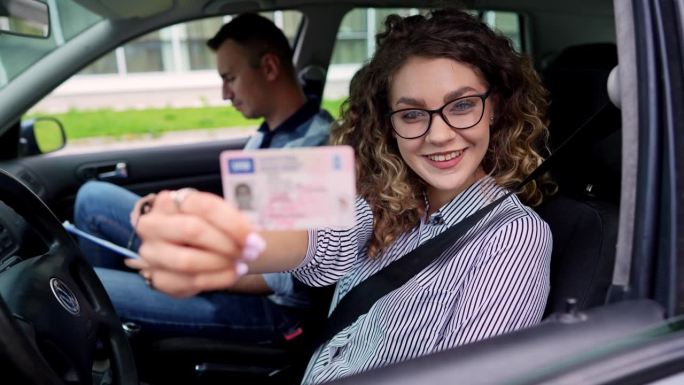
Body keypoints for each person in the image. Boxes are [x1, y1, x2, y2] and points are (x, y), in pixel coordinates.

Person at [129, 8, 554, 384]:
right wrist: (239, 243)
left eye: (461, 106)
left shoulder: (513, 237)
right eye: (411, 114)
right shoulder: (387, 198)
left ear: (495, 106)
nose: (438, 134)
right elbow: (324, 236)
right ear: (388, 124)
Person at [73, 13, 332, 341]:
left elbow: (291, 276)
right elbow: (243, 222)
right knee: (92, 198)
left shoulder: (313, 152)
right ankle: (115, 336)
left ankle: (107, 344)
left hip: (274, 309)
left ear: (268, 68)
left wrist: (196, 271)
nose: (225, 94)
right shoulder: (270, 135)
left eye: (230, 78)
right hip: (232, 257)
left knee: (86, 288)